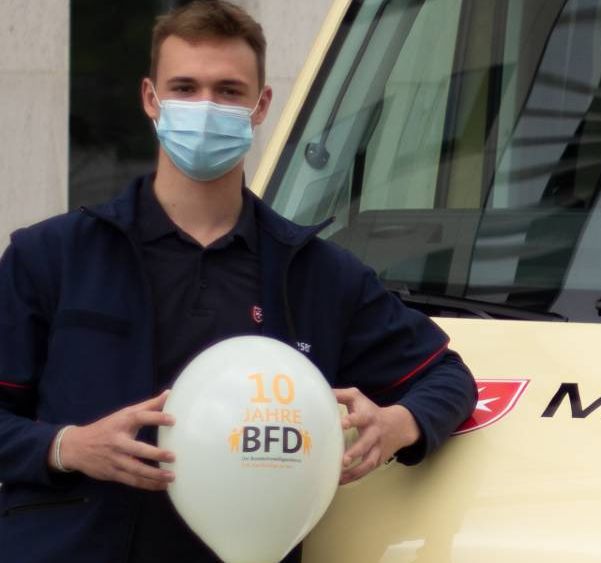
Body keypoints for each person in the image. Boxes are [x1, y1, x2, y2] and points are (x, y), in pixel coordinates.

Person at [0, 2, 477, 560]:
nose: (205, 108)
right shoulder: (53, 257)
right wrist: (65, 446)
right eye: (185, 87)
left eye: (228, 91)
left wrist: (399, 425)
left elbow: (447, 377)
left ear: (260, 106)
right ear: (151, 99)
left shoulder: (316, 274)